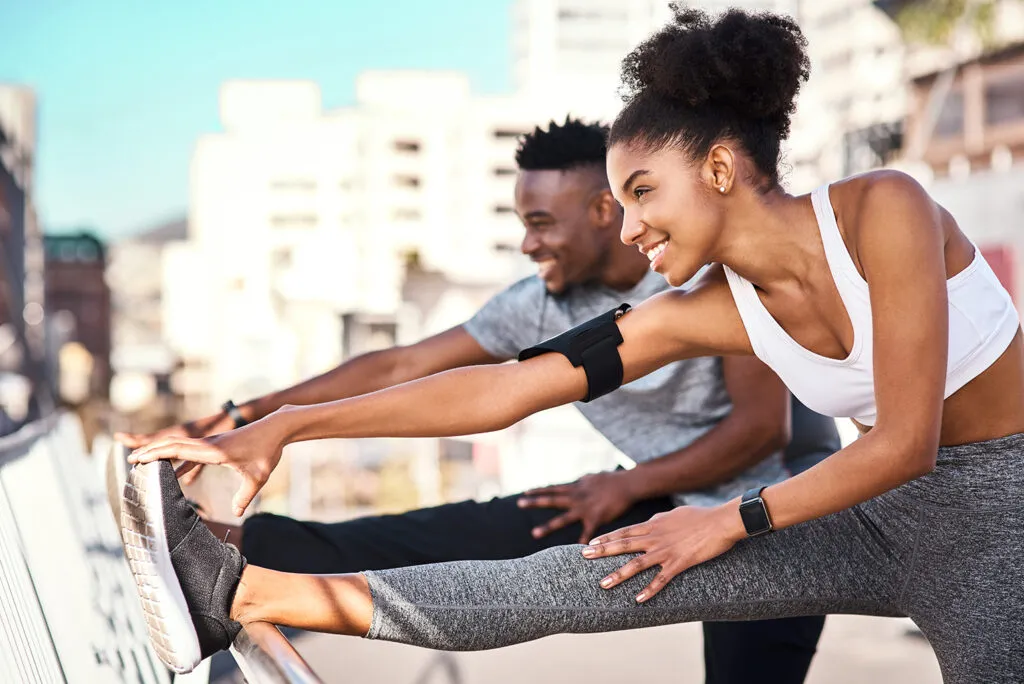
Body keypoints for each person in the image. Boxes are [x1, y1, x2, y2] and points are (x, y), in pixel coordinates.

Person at [122, 8, 1024, 684]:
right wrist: (284, 426)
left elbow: (910, 441)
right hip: (859, 518)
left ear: (718, 168)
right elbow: (507, 388)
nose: (628, 228)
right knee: (571, 583)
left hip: (999, 514)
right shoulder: (712, 309)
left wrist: (721, 518)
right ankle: (236, 597)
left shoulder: (883, 210)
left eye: (641, 192)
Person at [120, 117, 837, 683]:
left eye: (541, 223)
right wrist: (251, 416)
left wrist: (626, 483)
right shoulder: (539, 303)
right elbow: (404, 363)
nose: (527, 244)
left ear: (600, 210)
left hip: (771, 509)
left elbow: (759, 430)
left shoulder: (699, 278)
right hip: (653, 495)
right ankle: (223, 556)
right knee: (483, 531)